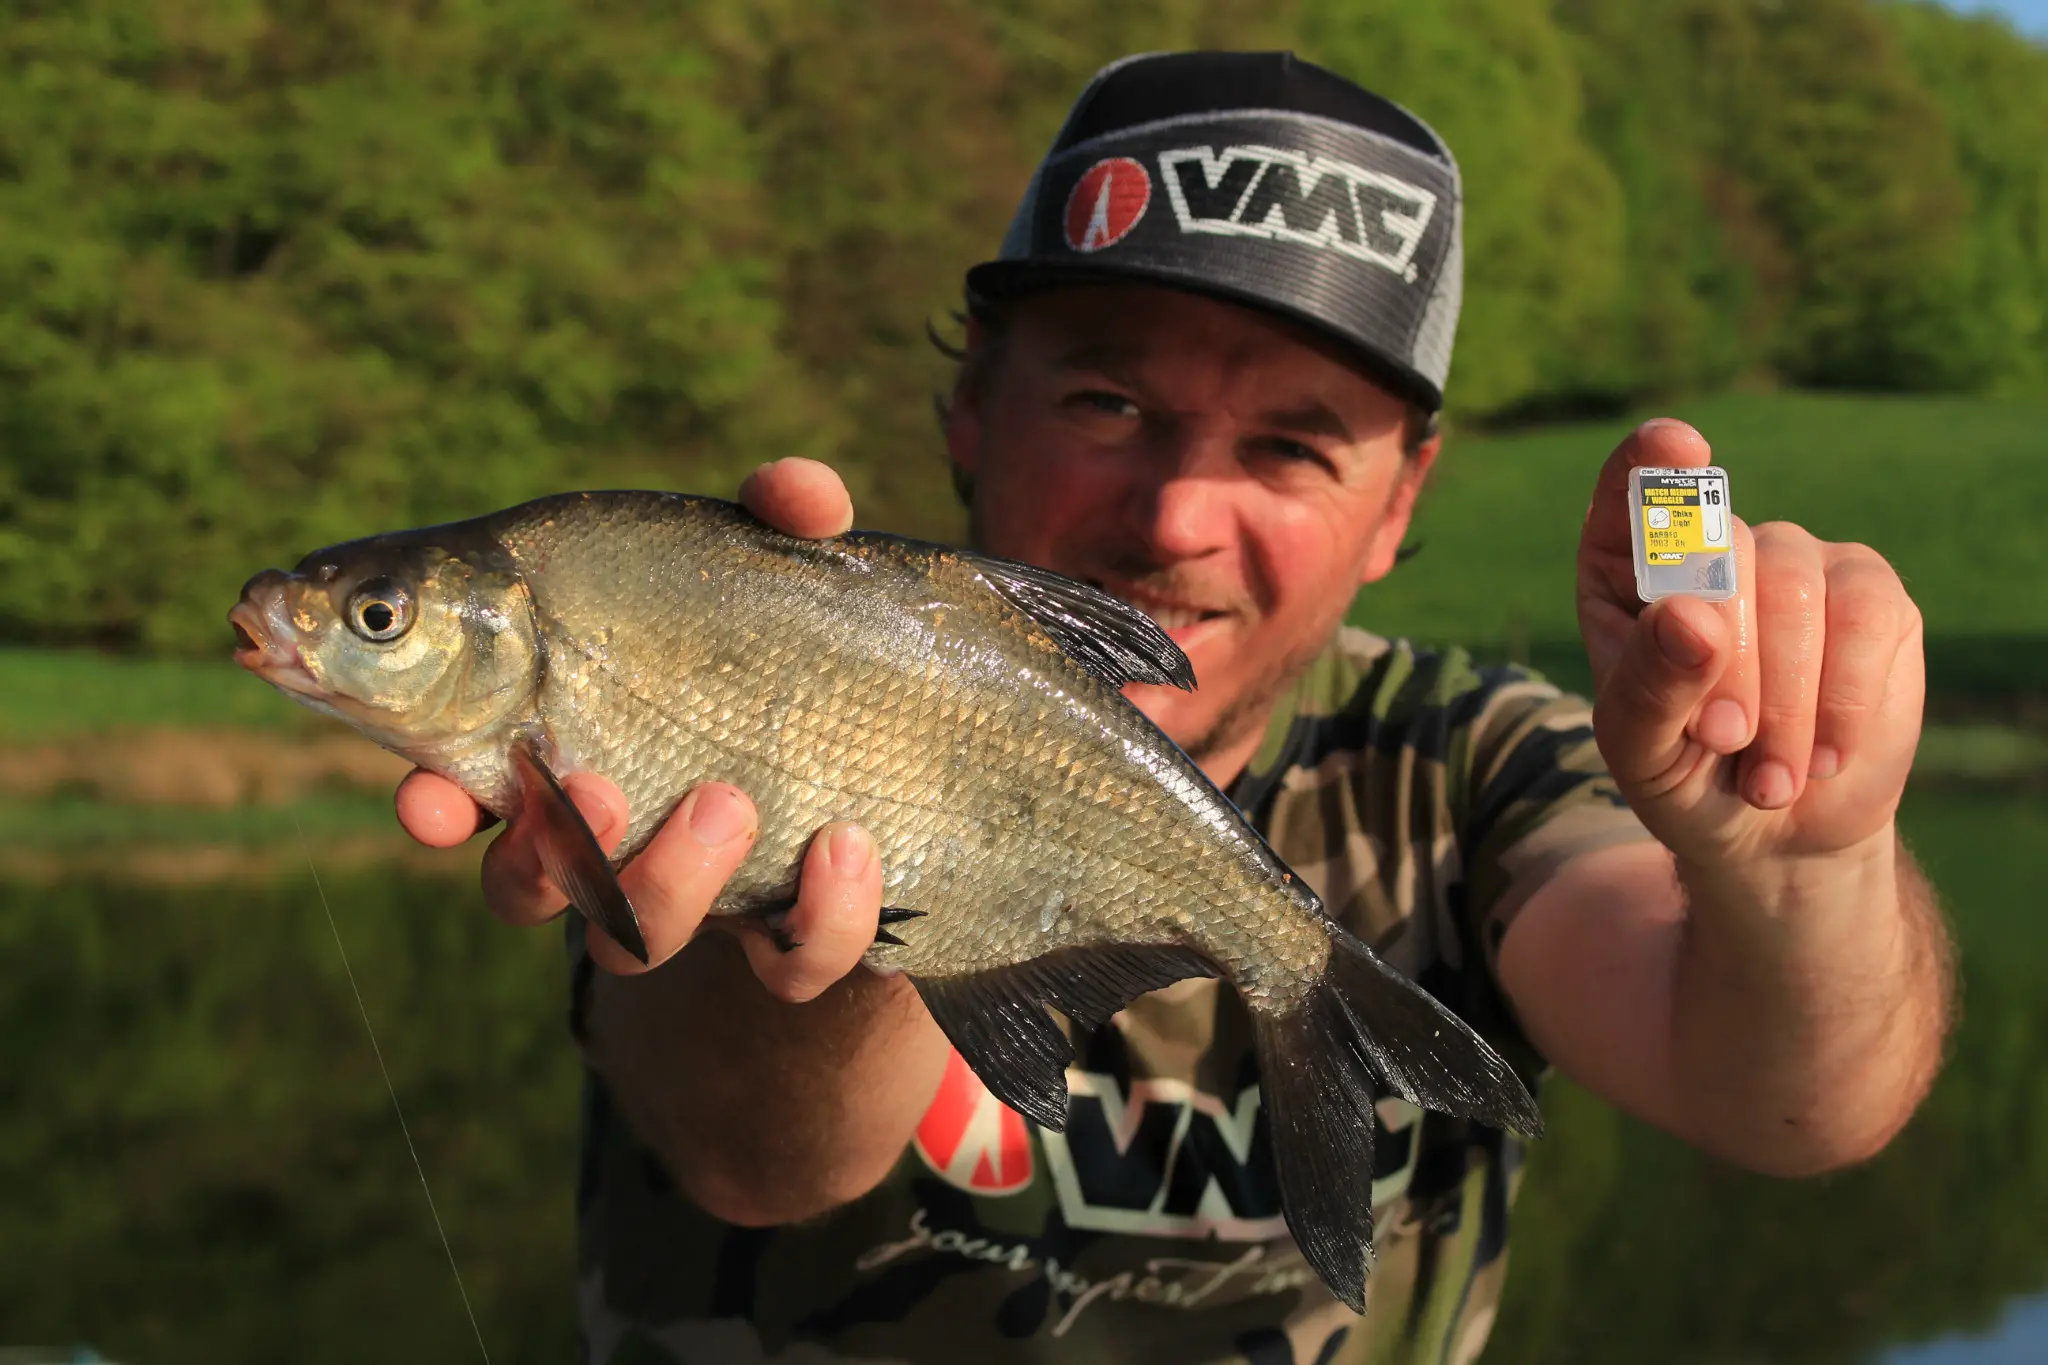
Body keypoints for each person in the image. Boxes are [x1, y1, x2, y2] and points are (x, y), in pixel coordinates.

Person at [395, 51, 1952, 1365]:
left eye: (1292, 445)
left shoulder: (1467, 764)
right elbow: (753, 1163)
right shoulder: (747, 657)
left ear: (1401, 503)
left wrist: (1799, 870)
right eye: (1108, 403)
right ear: (969, 409)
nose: (1181, 518)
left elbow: (1797, 1111)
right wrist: (809, 844)